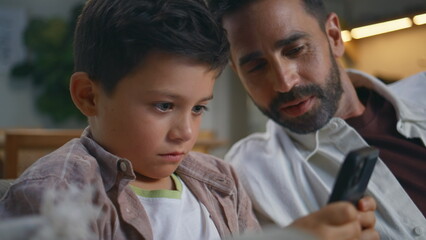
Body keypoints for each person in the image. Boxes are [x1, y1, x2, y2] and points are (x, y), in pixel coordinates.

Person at [0, 0, 378, 239]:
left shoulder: (222, 182)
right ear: (88, 96)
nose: (185, 133)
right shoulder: (54, 197)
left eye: (199, 108)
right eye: (164, 106)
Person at [208, 0, 426, 239]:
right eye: (257, 66)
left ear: (333, 37)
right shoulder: (248, 174)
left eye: (295, 50)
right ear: (238, 73)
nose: (284, 83)